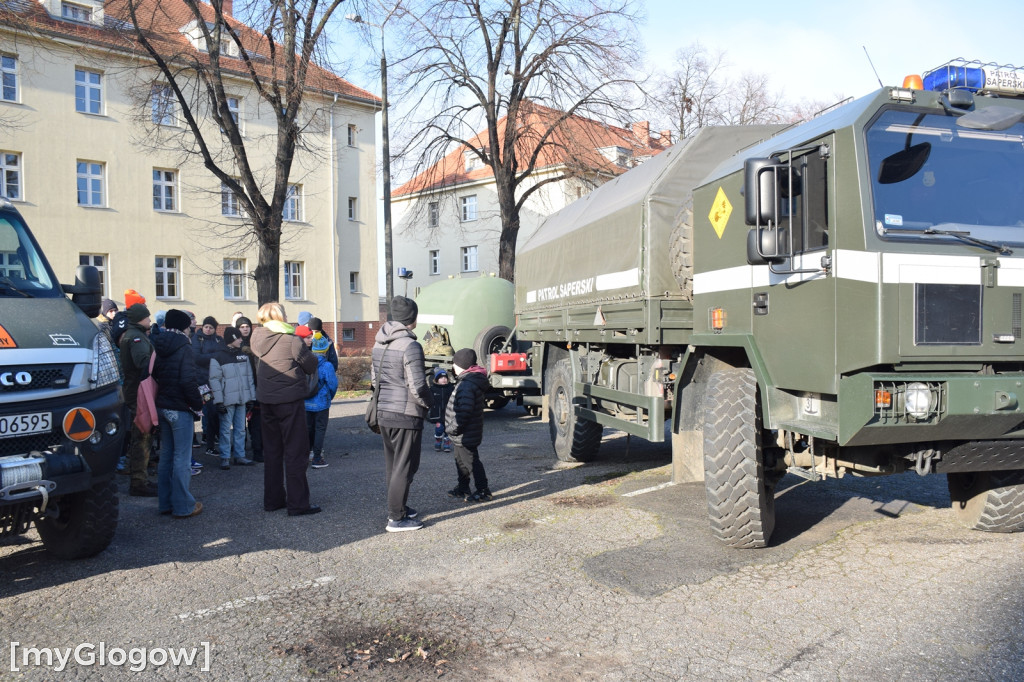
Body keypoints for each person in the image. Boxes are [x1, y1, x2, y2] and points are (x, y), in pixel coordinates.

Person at [250, 302, 320, 516]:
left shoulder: (255, 337)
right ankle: (298, 503)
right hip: (289, 400)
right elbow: (311, 365)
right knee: (296, 452)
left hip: (266, 400)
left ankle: (273, 500)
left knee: (272, 452)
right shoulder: (292, 340)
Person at [372, 295, 433, 533]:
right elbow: (417, 386)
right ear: (413, 318)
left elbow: (375, 380)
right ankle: (396, 518)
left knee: (394, 466)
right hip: (406, 414)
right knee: (406, 466)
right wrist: (430, 405)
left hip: (384, 411)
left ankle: (399, 508)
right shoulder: (410, 346)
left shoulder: (379, 342)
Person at [151, 309, 204, 518]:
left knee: (166, 456)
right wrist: (197, 403)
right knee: (183, 457)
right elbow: (188, 381)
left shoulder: (159, 342)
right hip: (179, 408)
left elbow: (154, 373)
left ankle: (165, 503)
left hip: (162, 405)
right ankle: (183, 506)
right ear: (184, 327)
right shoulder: (184, 347)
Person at [119, 303, 158, 497]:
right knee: (142, 436)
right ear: (139, 318)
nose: (149, 320)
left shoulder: (136, 334)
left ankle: (140, 478)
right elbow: (143, 362)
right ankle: (138, 482)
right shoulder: (136, 337)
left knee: (142, 435)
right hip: (139, 392)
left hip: (137, 391)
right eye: (147, 317)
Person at [445, 348, 492, 503]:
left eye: (455, 364)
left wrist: (453, 428)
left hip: (465, 432)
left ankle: (483, 490)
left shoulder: (466, 384)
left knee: (471, 462)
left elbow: (464, 411)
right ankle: (463, 487)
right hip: (464, 432)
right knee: (460, 460)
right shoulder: (467, 381)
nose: (453, 367)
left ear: (462, 366)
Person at [209, 327, 257, 470]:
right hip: (226, 400)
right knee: (225, 429)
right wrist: (218, 401)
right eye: (238, 338)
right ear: (231, 339)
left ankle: (239, 456)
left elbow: (249, 378)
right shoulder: (218, 357)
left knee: (241, 429)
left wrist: (251, 398)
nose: (241, 340)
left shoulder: (243, 355)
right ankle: (225, 457)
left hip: (242, 398)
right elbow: (214, 380)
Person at [303, 327, 338, 469]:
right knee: (320, 429)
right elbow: (332, 385)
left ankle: (307, 455)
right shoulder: (327, 365)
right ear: (324, 350)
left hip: (306, 402)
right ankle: (317, 458)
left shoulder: (305, 362)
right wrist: (329, 397)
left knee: (308, 428)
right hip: (322, 403)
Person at [191, 315, 225, 456]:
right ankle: (208, 440)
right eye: (206, 327)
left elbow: (223, 355)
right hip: (202, 382)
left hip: (216, 381)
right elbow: (196, 358)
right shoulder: (197, 339)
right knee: (209, 410)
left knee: (216, 411)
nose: (208, 329)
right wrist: (214, 357)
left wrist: (211, 357)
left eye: (211, 327)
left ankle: (213, 437)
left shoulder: (218, 340)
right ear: (202, 327)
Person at [236, 316, 263, 463]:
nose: (245, 329)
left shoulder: (256, 344)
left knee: (256, 423)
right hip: (241, 389)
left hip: (256, 388)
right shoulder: (236, 346)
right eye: (242, 327)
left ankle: (258, 450)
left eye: (247, 326)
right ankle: (240, 451)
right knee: (240, 423)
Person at [429, 367, 453, 452]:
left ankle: (447, 442)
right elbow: (429, 400)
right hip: (438, 413)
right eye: (441, 378)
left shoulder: (450, 388)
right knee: (439, 429)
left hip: (448, 413)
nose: (443, 379)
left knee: (448, 429)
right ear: (436, 380)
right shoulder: (433, 389)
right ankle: (438, 440)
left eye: (445, 378)